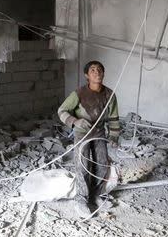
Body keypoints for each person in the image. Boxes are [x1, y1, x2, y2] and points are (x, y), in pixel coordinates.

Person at [57, 60, 120, 218]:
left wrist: (113, 135)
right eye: (92, 70)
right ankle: (81, 198)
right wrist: (75, 121)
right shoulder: (78, 93)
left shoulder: (109, 95)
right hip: (81, 134)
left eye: (99, 70)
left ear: (103, 73)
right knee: (83, 165)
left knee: (102, 164)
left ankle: (96, 195)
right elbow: (62, 110)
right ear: (87, 75)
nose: (97, 72)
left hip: (99, 133)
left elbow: (113, 117)